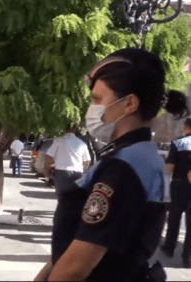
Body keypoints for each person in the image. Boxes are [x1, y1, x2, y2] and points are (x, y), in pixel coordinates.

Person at [35, 48, 189, 281]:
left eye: (98, 99)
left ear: (129, 104)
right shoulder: (137, 156)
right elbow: (75, 243)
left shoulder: (125, 168)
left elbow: (75, 268)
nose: (92, 108)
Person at [160, 118, 191, 267]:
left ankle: (169, 248)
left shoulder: (179, 143)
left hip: (179, 186)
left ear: (185, 127)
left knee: (174, 219)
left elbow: (169, 168)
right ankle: (187, 257)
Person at [44, 125, 91, 198]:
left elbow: (49, 157)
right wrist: (83, 173)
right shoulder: (82, 143)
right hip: (77, 173)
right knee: (74, 198)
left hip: (61, 173)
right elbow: (87, 161)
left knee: (62, 198)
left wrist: (47, 172)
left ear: (64, 129)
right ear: (76, 129)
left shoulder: (58, 141)